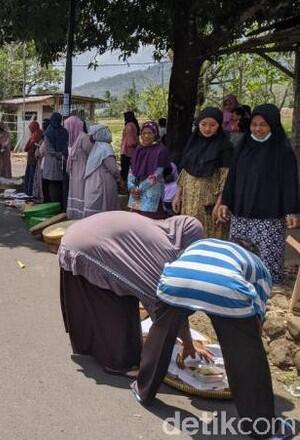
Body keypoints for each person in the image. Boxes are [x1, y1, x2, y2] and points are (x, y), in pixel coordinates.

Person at [133, 238, 293, 440]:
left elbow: (180, 309)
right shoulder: (259, 267)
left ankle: (143, 389)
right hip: (227, 288)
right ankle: (264, 428)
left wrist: (188, 343)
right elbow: (256, 319)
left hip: (175, 280)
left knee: (161, 332)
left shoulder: (202, 244)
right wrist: (245, 348)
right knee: (247, 356)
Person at [58, 212, 205, 377]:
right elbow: (164, 305)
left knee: (114, 293)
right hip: (86, 248)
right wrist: (187, 344)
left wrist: (187, 342)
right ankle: (120, 363)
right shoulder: (164, 252)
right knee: (117, 306)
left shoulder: (161, 229)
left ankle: (90, 347)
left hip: (75, 236)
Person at [216, 104, 300, 283]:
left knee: (267, 257)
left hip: (269, 215)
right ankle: (239, 285)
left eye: (263, 125)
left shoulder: (282, 151)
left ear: (273, 125)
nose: (258, 129)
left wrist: (291, 210)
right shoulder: (243, 146)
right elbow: (232, 177)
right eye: (254, 124)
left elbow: (290, 183)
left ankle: (267, 288)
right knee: (239, 256)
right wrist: (225, 202)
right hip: (241, 211)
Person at [173, 107, 234, 239]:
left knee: (210, 238)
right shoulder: (192, 144)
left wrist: (220, 203)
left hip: (210, 204)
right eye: (203, 124)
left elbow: (226, 179)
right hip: (189, 202)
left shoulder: (225, 147)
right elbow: (184, 172)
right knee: (189, 235)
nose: (207, 129)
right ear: (198, 124)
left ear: (219, 125)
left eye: (212, 125)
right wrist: (177, 195)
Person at [127, 121, 171, 218]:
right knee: (136, 220)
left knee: (151, 221)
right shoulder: (138, 149)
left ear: (155, 134)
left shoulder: (161, 151)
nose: (146, 136)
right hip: (136, 192)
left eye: (150, 133)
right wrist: (131, 187)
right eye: (144, 133)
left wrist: (139, 189)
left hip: (152, 191)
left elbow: (157, 174)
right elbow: (131, 169)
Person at [81, 125, 120, 217]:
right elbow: (113, 168)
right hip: (103, 182)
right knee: (105, 208)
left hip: (93, 181)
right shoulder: (106, 147)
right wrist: (119, 179)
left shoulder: (96, 147)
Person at [65, 116, 89, 219]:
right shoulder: (73, 140)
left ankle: (80, 215)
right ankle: (75, 214)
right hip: (75, 171)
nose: (68, 130)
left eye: (69, 127)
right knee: (75, 191)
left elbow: (90, 153)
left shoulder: (83, 137)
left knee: (80, 192)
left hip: (82, 170)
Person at [42, 112, 68, 206]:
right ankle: (60, 205)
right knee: (59, 185)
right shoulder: (64, 131)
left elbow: (49, 150)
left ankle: (54, 206)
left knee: (53, 185)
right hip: (62, 161)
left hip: (51, 162)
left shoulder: (48, 132)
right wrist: (63, 154)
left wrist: (58, 154)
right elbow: (66, 146)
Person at [23, 120, 42, 198]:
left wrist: (30, 142)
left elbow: (26, 147)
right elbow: (26, 148)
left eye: (31, 127)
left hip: (33, 160)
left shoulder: (36, 135)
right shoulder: (36, 134)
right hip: (32, 159)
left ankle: (30, 193)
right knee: (31, 176)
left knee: (32, 177)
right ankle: (29, 192)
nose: (30, 129)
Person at [120, 111, 140, 188]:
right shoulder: (134, 125)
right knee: (133, 170)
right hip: (133, 152)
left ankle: (125, 187)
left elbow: (130, 142)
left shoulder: (129, 126)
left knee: (125, 171)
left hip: (126, 152)